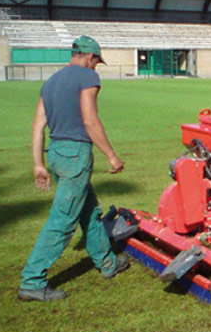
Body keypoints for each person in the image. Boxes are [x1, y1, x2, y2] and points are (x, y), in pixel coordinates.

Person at [18, 35, 129, 302]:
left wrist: (38, 164)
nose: (96, 67)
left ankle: (107, 264)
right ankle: (32, 281)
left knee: (88, 211)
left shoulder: (51, 82)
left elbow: (37, 125)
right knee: (63, 220)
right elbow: (90, 120)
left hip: (56, 153)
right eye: (97, 62)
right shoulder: (87, 78)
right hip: (75, 155)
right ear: (90, 57)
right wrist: (112, 156)